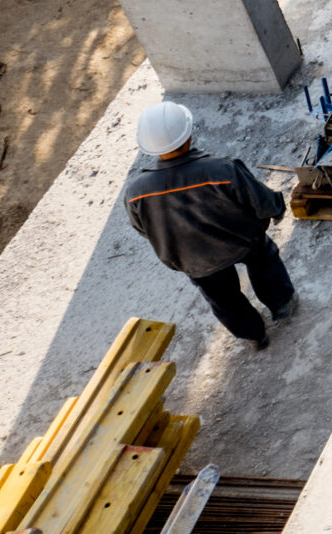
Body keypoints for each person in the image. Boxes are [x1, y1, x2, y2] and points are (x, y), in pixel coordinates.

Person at [125, 101, 299, 348]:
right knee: (264, 260)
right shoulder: (222, 169)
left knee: (223, 299)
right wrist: (277, 208)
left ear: (149, 148)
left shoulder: (136, 192)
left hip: (194, 260)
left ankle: (254, 335)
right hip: (243, 240)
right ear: (188, 136)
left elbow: (143, 228)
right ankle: (282, 305)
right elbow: (261, 202)